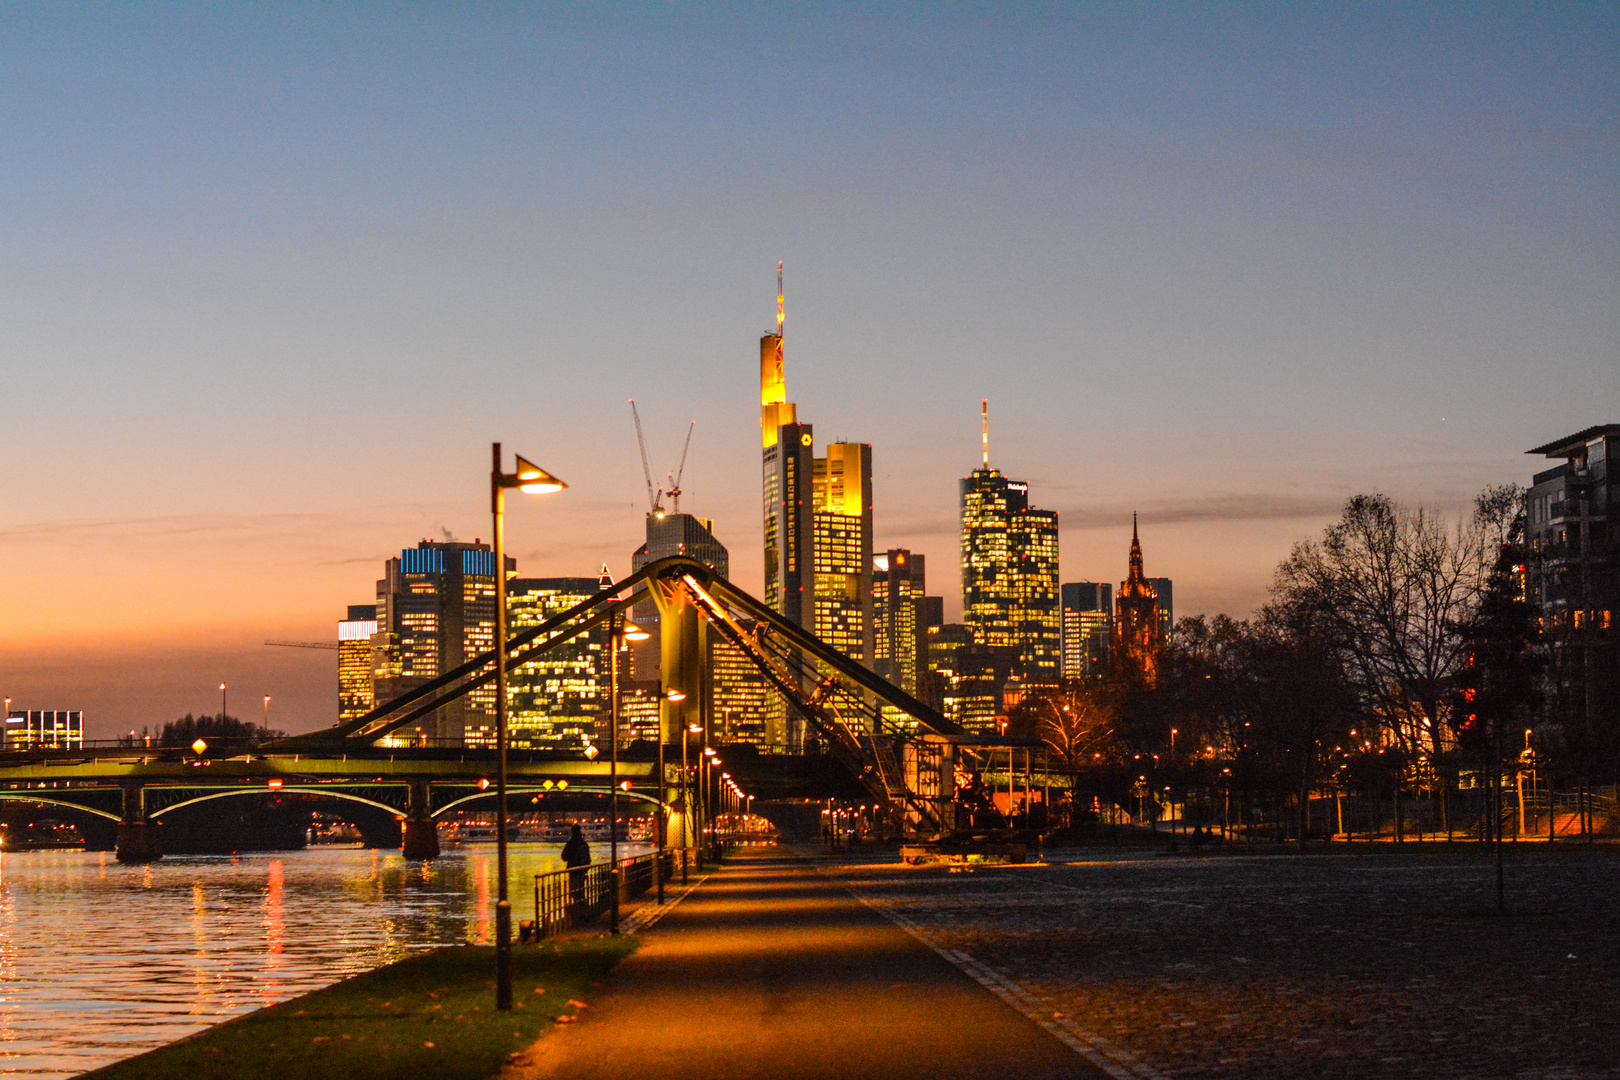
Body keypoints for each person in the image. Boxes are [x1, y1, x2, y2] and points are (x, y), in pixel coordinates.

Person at [562, 824, 591, 914]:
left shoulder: (570, 844)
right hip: (582, 872)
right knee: (580, 891)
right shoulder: (584, 844)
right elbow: (588, 859)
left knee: (574, 891)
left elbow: (564, 857)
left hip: (573, 871)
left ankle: (576, 910)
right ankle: (581, 908)